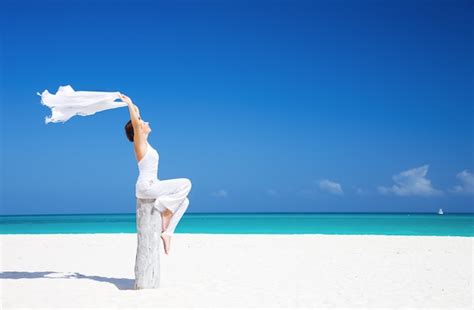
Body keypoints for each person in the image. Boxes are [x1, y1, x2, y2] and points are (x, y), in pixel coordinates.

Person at [120, 93, 192, 255]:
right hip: (146, 187)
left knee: (184, 201)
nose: (146, 122)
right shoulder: (140, 145)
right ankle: (164, 210)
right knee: (186, 183)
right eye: (142, 122)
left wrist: (135, 107)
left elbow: (137, 117)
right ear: (137, 129)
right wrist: (129, 103)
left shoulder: (146, 144)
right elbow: (135, 122)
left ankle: (167, 233)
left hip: (153, 185)